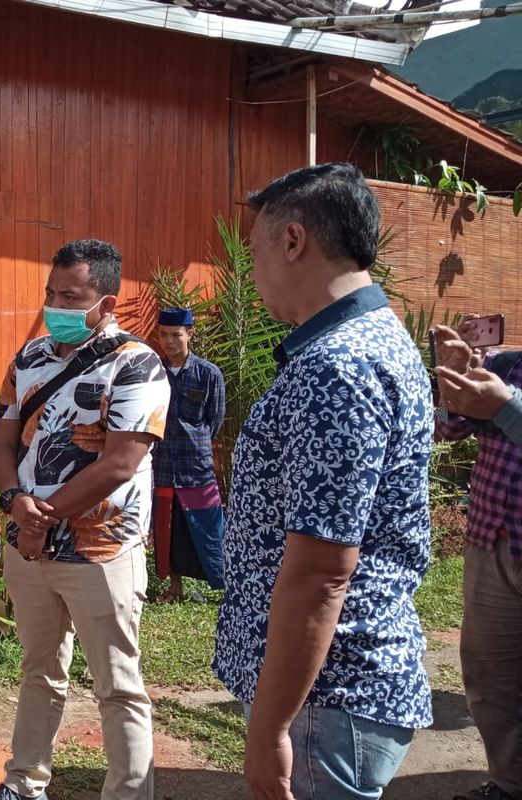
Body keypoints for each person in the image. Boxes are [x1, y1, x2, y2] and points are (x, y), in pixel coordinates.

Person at [213, 163, 434, 800]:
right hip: (335, 692)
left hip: (328, 696)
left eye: (255, 250)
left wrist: (271, 725)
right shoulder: (373, 341)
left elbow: (322, 570)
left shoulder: (337, 366)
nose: (251, 275)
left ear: (293, 241)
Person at [0, 239, 170, 800]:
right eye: (50, 293)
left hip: (101, 550)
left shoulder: (137, 364)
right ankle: (25, 781)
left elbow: (120, 461)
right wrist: (16, 500)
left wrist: (47, 514)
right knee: (40, 670)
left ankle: (128, 794)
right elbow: (2, 441)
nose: (55, 305)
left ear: (106, 303)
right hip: (30, 545)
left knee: (118, 685)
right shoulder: (30, 358)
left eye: (71, 296)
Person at [433, 322, 522, 800]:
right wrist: (453, 378)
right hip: (492, 539)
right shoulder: (507, 366)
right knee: (490, 677)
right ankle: (509, 784)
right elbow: (447, 427)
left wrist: (507, 407)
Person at [151, 307, 226, 602]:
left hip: (196, 465)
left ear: (190, 334)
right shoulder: (152, 372)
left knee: (209, 525)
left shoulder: (208, 374)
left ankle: (223, 584)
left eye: (175, 335)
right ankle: (174, 587)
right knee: (169, 528)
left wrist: (196, 441)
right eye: (163, 335)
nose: (168, 341)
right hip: (162, 464)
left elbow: (215, 419)